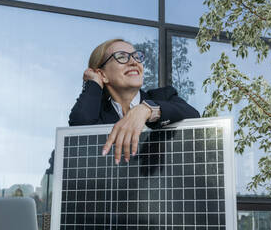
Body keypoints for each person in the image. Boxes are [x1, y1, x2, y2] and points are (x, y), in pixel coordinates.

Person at [69, 38, 200, 164]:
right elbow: (80, 129)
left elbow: (193, 115)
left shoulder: (163, 97)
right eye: (121, 57)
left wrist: (147, 109)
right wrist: (94, 82)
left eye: (136, 57)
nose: (133, 62)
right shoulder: (98, 114)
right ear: (103, 75)